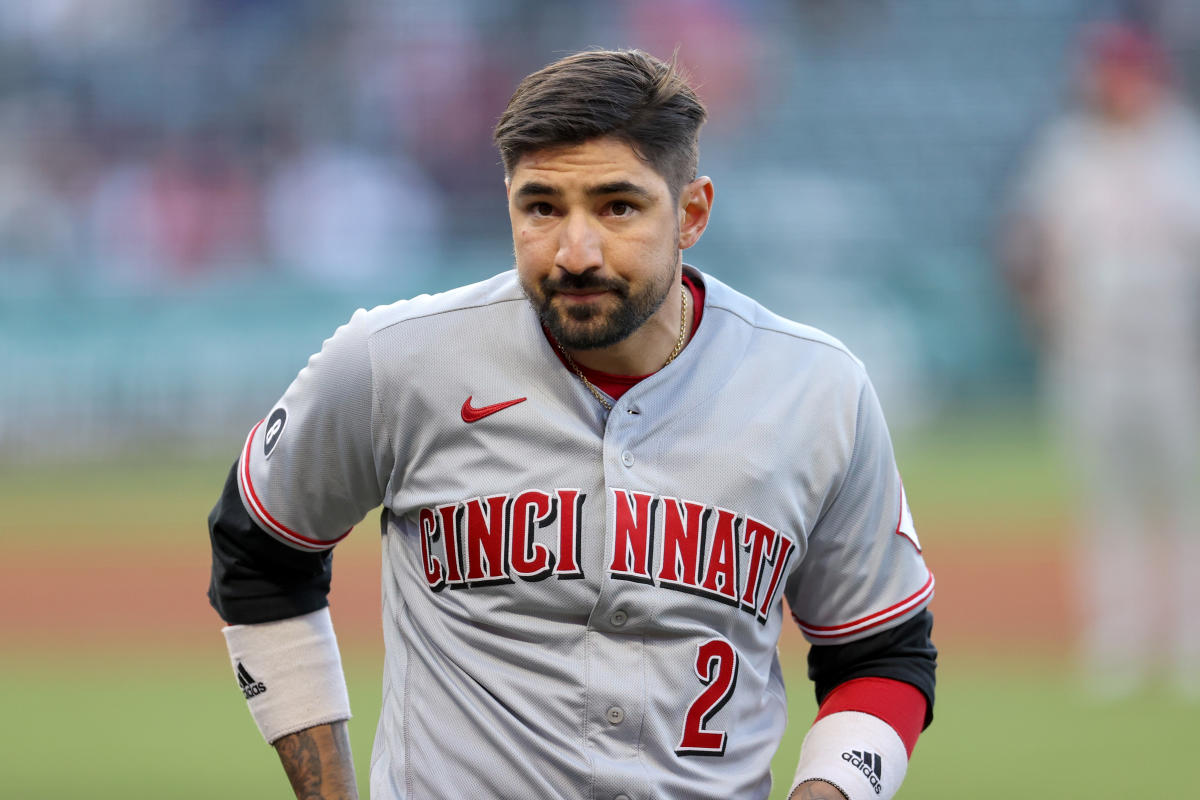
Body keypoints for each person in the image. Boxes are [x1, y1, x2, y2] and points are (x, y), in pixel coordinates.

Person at [208, 49, 936, 800]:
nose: (574, 252)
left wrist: (832, 790)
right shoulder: (396, 362)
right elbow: (258, 549)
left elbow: (883, 652)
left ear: (691, 213)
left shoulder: (816, 390)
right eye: (541, 207)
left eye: (618, 206)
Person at [1003, 23, 1200, 698]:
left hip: (1171, 343)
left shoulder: (1179, 144)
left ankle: (1188, 636)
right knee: (1106, 495)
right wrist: (1044, 306)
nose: (1113, 84)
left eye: (1124, 71)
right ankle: (1116, 636)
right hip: (1093, 344)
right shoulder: (1069, 149)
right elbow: (1033, 243)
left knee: (1181, 493)